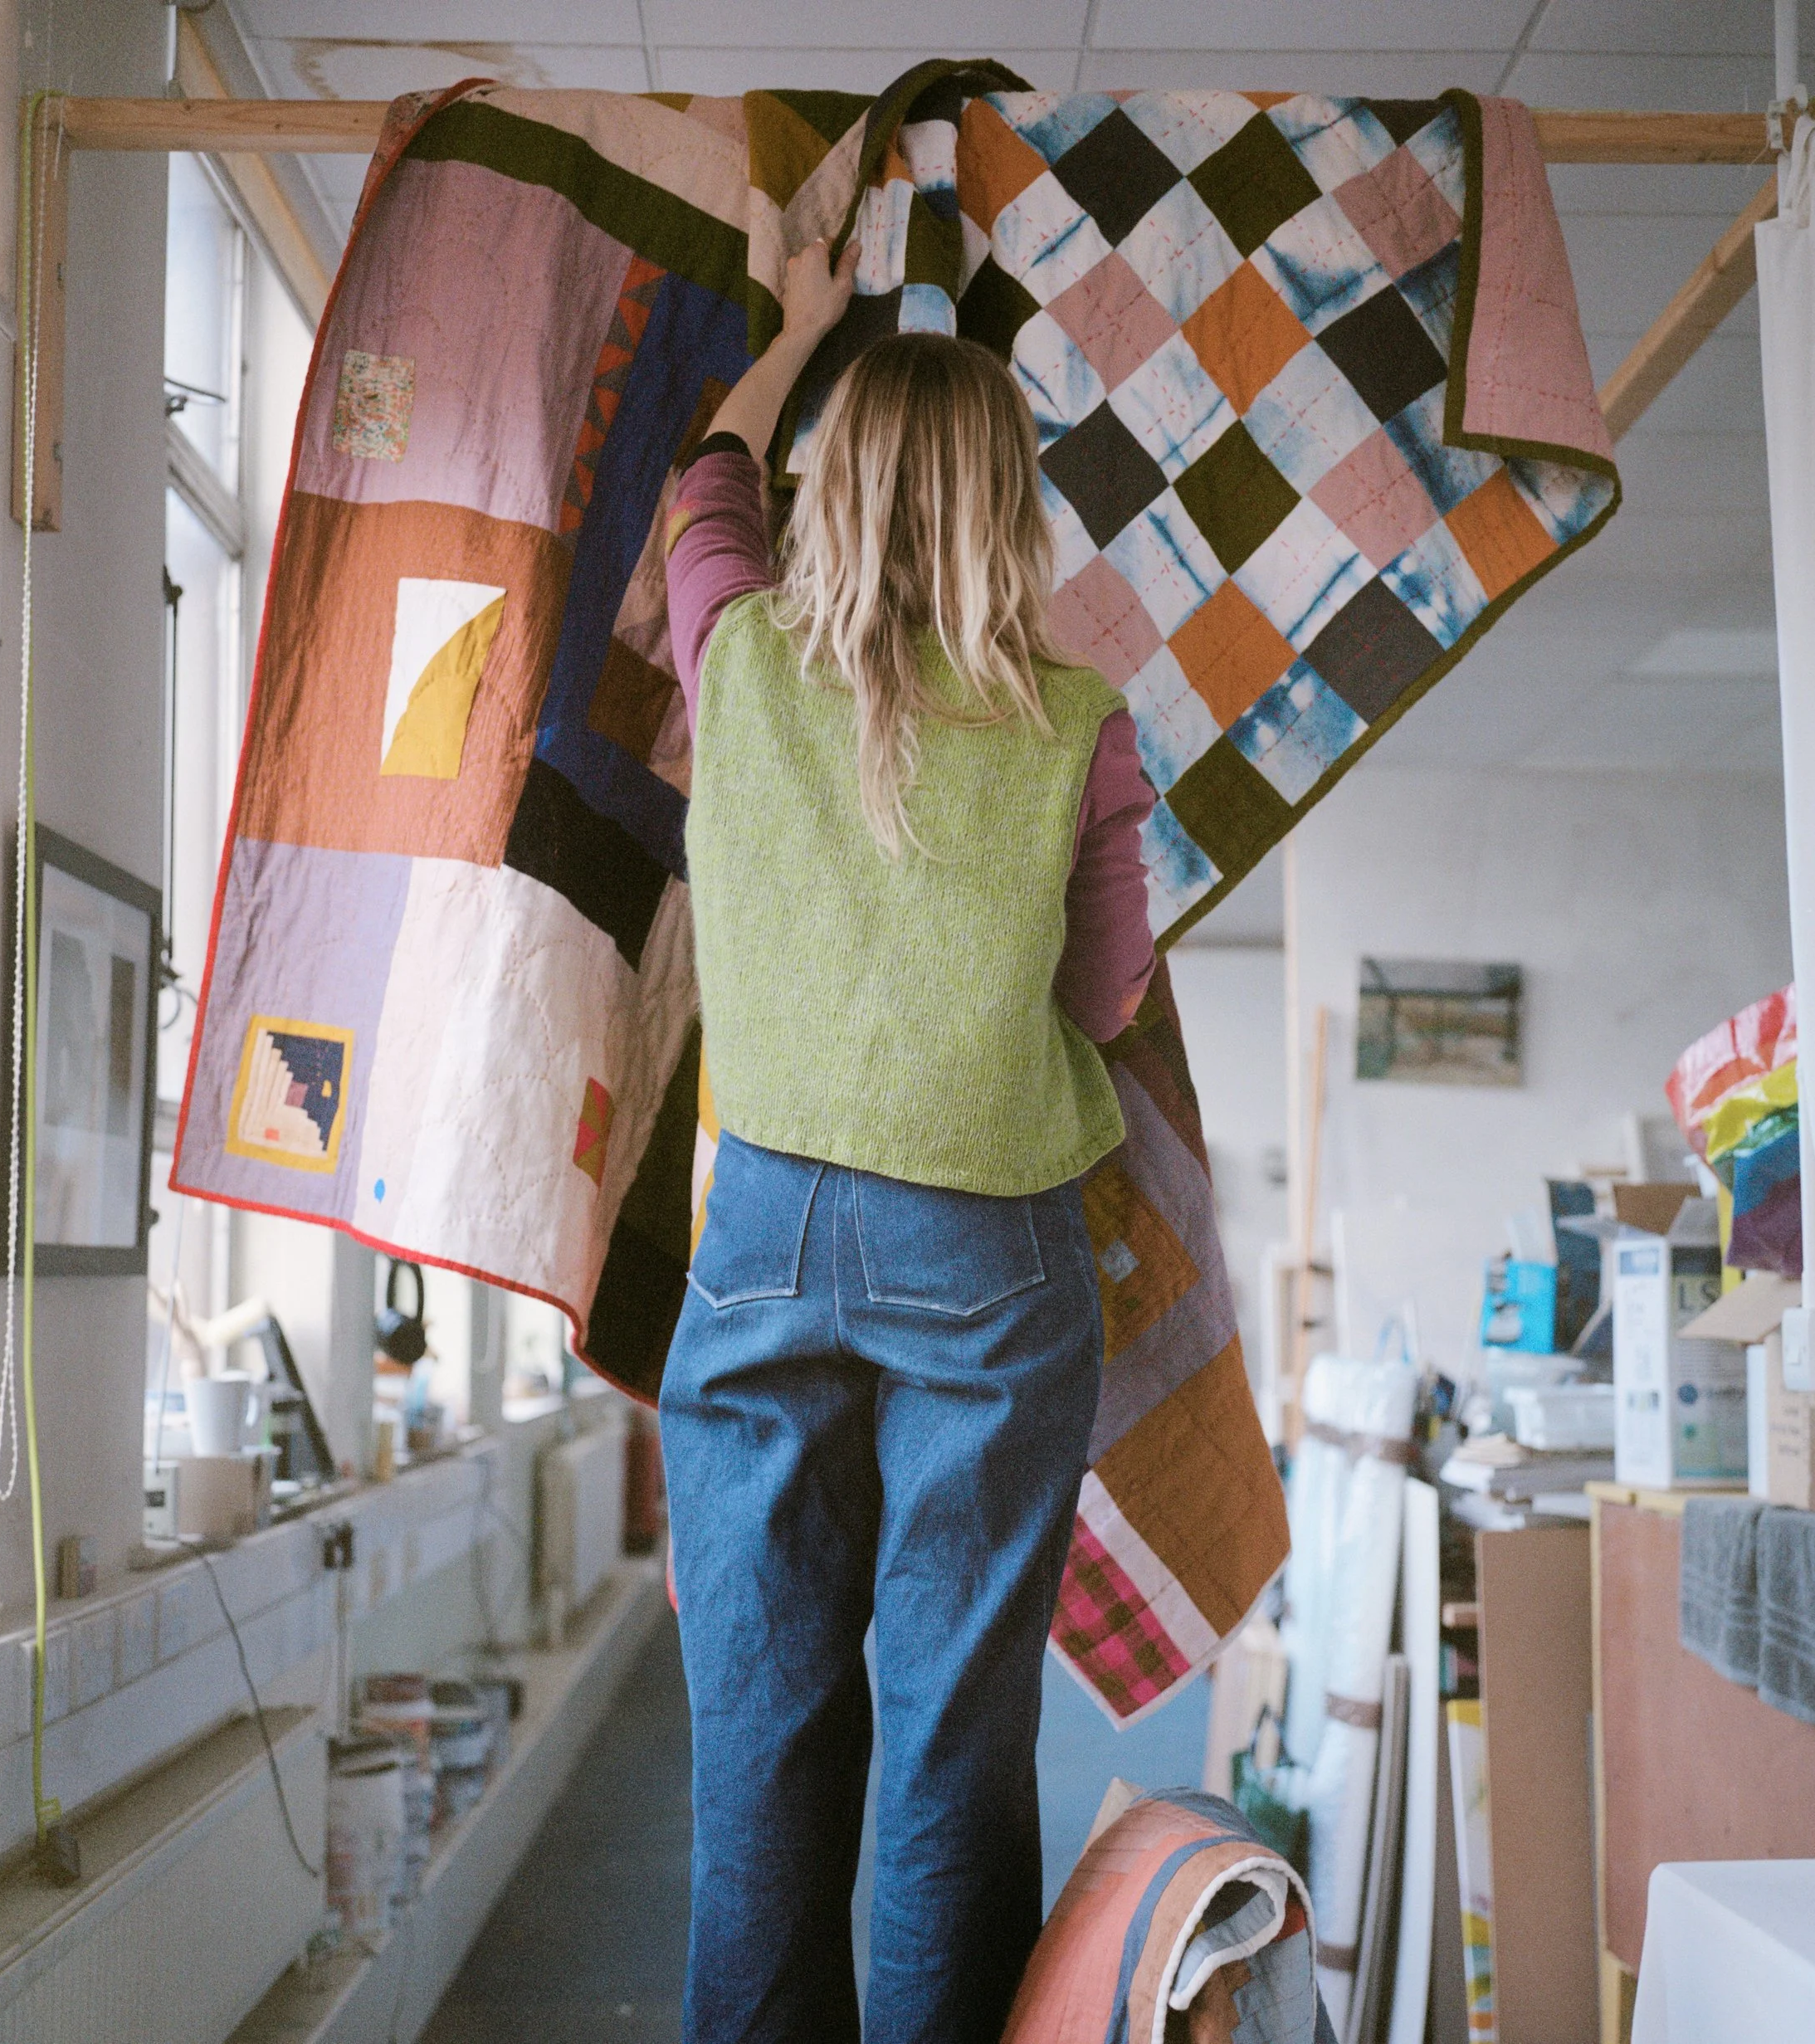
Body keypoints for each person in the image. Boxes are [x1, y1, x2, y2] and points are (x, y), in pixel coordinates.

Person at [659, 237, 1157, 2044]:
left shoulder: (734, 652)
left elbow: (702, 481)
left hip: (765, 1237)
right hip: (989, 1246)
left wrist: (799, 320)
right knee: (956, 1730)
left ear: (831, 492)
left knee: (758, 1725)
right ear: (1012, 512)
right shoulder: (1079, 728)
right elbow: (1104, 999)